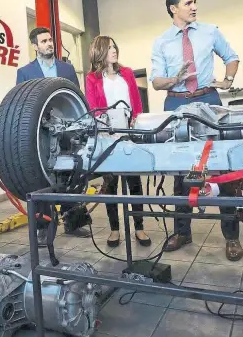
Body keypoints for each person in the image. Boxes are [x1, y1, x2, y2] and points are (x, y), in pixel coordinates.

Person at [150, 0, 243, 261]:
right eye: (188, 3)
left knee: (220, 168)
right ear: (173, 8)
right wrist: (174, 79)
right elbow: (156, 82)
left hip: (208, 101)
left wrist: (227, 80)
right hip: (176, 103)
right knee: (182, 174)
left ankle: (232, 237)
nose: (194, 6)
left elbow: (232, 56)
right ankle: (182, 232)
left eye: (195, 2)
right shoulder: (161, 41)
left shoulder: (210, 31)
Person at [17, 27, 91, 244]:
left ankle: (73, 222)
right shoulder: (25, 73)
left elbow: (77, 98)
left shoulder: (67, 69)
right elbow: (20, 107)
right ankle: (43, 227)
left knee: (72, 172)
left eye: (50, 40)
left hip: (67, 130)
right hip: (40, 134)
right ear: (34, 46)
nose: (49, 44)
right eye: (44, 41)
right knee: (40, 178)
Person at [85, 35, 152, 247]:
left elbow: (137, 103)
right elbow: (93, 107)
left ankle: (139, 228)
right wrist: (104, 128)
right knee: (111, 185)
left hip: (129, 133)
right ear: (100, 51)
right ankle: (115, 229)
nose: (114, 50)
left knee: (134, 183)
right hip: (107, 135)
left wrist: (137, 121)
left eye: (115, 46)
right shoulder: (92, 79)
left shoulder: (128, 74)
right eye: (110, 47)